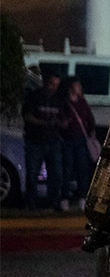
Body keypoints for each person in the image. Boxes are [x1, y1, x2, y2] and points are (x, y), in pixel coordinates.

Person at [22, 71, 65, 210]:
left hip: (53, 141)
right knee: (33, 173)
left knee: (56, 174)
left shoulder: (58, 99)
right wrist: (44, 123)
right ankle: (31, 202)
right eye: (52, 84)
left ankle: (54, 201)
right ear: (46, 83)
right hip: (36, 141)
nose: (54, 87)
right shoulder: (34, 97)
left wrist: (62, 123)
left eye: (57, 85)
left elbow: (63, 118)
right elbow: (27, 116)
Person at [58, 76, 97, 210]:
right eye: (77, 85)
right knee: (67, 171)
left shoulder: (82, 103)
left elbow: (90, 120)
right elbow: (60, 122)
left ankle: (82, 198)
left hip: (80, 140)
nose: (80, 88)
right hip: (68, 141)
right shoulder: (64, 103)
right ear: (71, 88)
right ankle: (65, 199)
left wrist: (90, 132)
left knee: (82, 170)